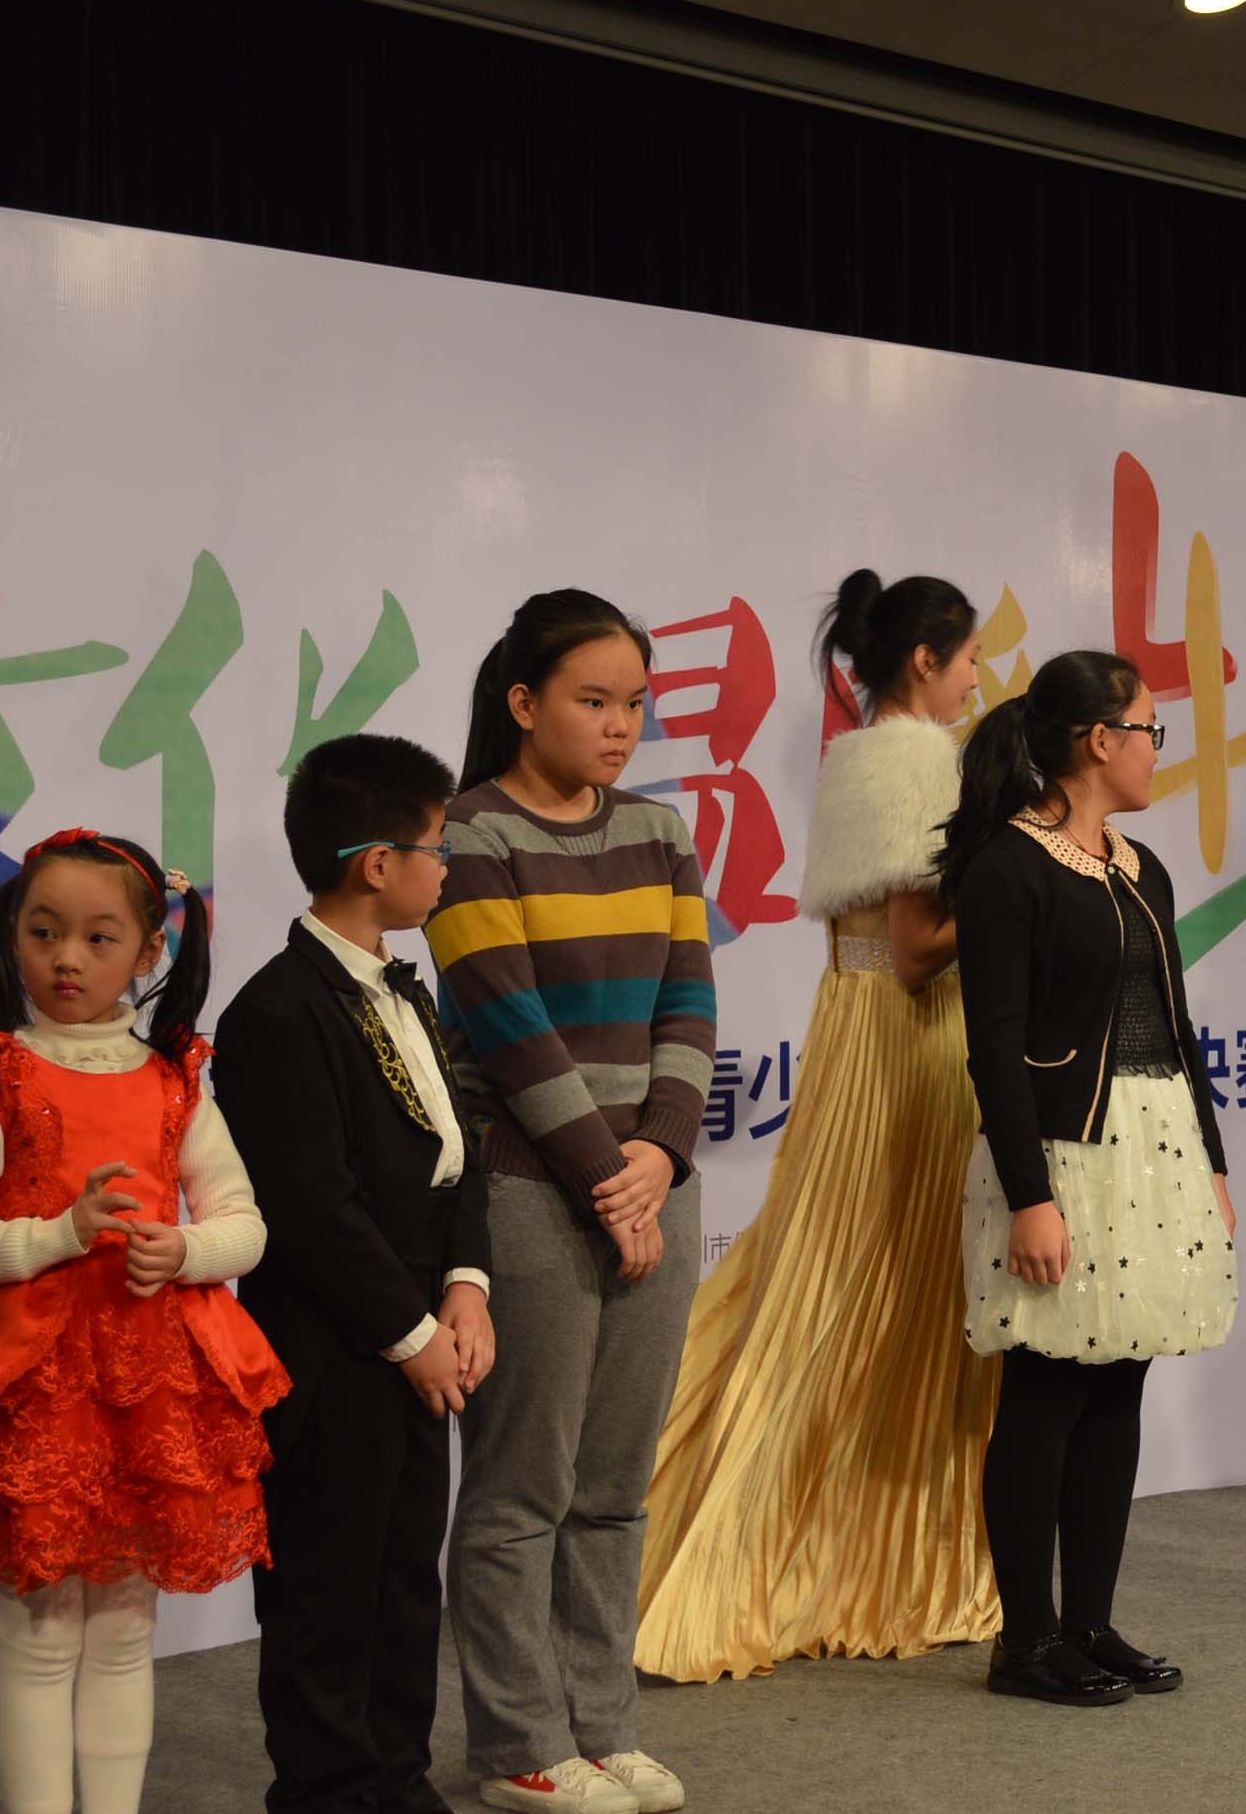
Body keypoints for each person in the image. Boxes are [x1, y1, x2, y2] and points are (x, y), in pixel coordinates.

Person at [0, 828, 285, 1814]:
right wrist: (56, 1234)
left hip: (149, 1390)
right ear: (12, 937)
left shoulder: (175, 1081)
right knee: (39, 1635)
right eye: (43, 931)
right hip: (31, 1392)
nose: (66, 959)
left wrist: (186, 1250)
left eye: (99, 938)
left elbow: (245, 1223)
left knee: (126, 1631)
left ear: (148, 952)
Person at [638, 571, 998, 1682]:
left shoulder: (863, 754)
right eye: (968, 658)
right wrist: (1022, 888)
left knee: (833, 1271)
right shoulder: (920, 760)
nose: (978, 678)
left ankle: (795, 1524)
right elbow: (919, 949)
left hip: (859, 1022)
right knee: (886, 1284)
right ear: (926, 660)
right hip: (911, 1038)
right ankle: (843, 1547)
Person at [429, 591, 713, 1814]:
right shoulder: (467, 832)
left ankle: (604, 1724)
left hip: (650, 1183)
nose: (618, 725)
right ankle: (518, 1743)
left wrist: (659, 1155)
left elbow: (688, 1004)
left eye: (633, 702)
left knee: (613, 1485)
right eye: (592, 700)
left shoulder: (658, 828)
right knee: (519, 1487)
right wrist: (612, 1176)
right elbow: (508, 1026)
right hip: (528, 1187)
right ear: (523, 702)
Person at [946, 650, 1237, 1706]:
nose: (1158, 748)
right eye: (1150, 729)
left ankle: (1090, 1623)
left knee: (1120, 1381)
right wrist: (1031, 1194)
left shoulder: (1140, 864)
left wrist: (1212, 1161)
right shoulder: (1006, 867)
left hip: (1156, 1148)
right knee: (1047, 1388)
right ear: (1097, 741)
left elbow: (1175, 1023)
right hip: (1066, 1154)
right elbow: (995, 1046)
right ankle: (1024, 1641)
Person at [214, 733, 495, 1814]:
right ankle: (327, 1788)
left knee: (403, 1571)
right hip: (332, 1343)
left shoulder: (405, 992)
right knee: (325, 1577)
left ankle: (394, 1775)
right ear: (377, 862)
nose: (445, 868)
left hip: (419, 1328)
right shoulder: (277, 1010)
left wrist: (465, 1285)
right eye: (435, 848)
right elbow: (311, 1207)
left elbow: (454, 1153)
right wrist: (410, 1333)